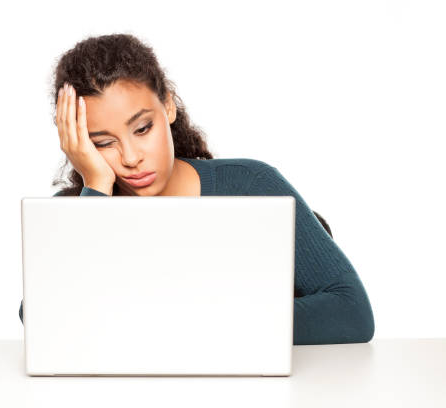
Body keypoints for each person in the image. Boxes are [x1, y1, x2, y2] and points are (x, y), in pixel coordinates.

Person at [19, 33, 374, 345]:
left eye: (142, 129)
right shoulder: (77, 213)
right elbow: (42, 319)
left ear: (168, 106)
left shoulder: (252, 184)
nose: (130, 158)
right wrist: (96, 186)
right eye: (102, 143)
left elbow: (351, 311)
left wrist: (183, 321)